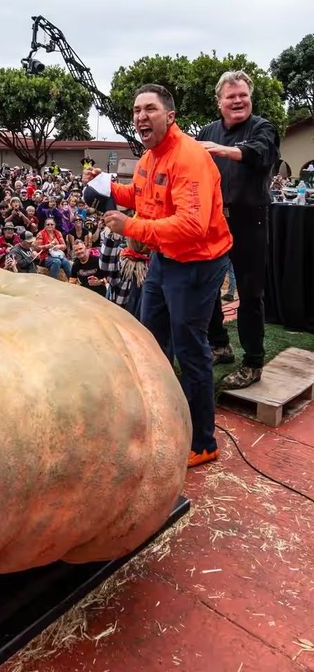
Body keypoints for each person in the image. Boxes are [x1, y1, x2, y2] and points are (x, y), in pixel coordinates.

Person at [88, 84, 233, 469]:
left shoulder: (190, 158)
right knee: (150, 340)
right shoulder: (149, 158)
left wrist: (130, 227)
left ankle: (203, 441)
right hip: (166, 259)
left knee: (190, 348)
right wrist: (107, 190)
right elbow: (141, 195)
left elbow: (192, 226)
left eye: (149, 109)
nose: (140, 116)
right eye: (136, 110)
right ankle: (163, 416)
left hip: (198, 263)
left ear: (170, 116)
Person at [198, 71, 280, 389]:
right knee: (208, 286)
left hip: (251, 221)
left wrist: (221, 149)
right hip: (216, 221)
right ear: (219, 102)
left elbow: (260, 155)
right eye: (231, 96)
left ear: (250, 98)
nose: (237, 100)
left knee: (250, 293)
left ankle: (253, 362)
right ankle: (220, 345)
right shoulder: (208, 131)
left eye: (243, 95)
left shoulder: (262, 127)